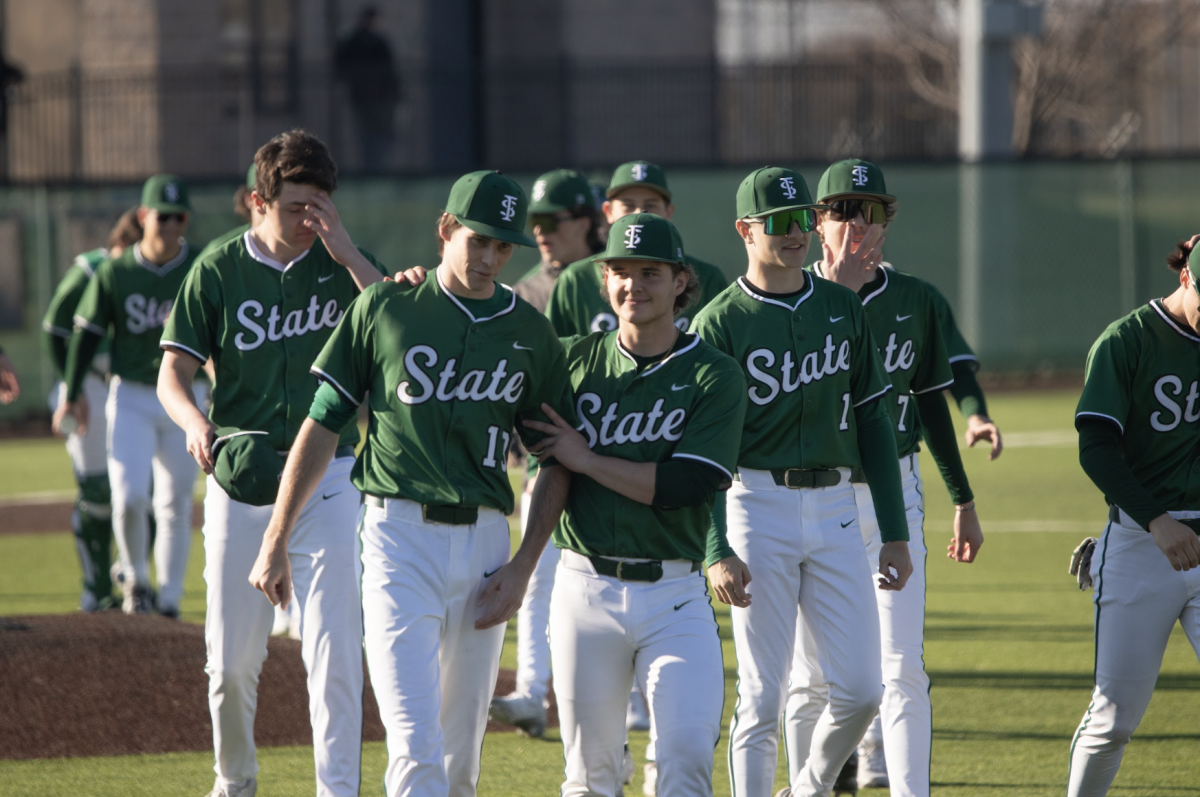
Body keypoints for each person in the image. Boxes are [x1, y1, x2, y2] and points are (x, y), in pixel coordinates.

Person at [248, 170, 577, 797]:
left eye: (502, 247)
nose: (489, 258)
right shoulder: (385, 307)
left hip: (486, 549)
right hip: (398, 541)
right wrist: (276, 536)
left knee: (460, 765)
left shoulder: (530, 333)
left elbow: (554, 458)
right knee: (417, 747)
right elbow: (322, 423)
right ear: (446, 230)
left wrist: (525, 567)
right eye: (477, 239)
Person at [158, 129, 383, 797]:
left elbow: (401, 328)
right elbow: (173, 372)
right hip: (245, 476)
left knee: (335, 650)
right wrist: (196, 421)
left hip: (331, 476)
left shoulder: (342, 263)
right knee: (229, 662)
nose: (311, 218)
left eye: (322, 204)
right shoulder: (219, 268)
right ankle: (235, 778)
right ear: (258, 200)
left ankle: (337, 788)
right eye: (296, 206)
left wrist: (348, 254)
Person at [690, 166, 912, 797]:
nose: (796, 234)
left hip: (839, 507)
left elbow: (875, 423)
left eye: (803, 220)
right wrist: (715, 549)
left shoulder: (842, 306)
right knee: (763, 693)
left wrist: (894, 533)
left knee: (863, 689)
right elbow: (701, 453)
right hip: (755, 504)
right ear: (744, 230)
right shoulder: (719, 322)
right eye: (779, 222)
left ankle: (808, 789)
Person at [523, 212, 748, 797]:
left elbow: (688, 484)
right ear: (604, 281)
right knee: (589, 777)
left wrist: (588, 459)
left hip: (675, 597)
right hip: (583, 592)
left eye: (650, 272)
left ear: (680, 281)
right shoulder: (569, 360)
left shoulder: (714, 374)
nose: (633, 285)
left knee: (686, 763)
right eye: (620, 272)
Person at [782, 159, 985, 797]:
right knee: (810, 676)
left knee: (902, 670)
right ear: (816, 224)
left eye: (870, 210)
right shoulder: (790, 299)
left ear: (886, 222)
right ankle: (807, 786)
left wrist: (963, 498)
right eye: (842, 210)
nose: (857, 223)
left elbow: (928, 402)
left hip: (894, 490)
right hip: (813, 496)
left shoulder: (916, 299)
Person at [1065, 234, 1200, 797]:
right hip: (1143, 544)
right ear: (1187, 277)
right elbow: (1096, 447)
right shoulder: (1127, 341)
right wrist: (1155, 520)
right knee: (1113, 720)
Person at [489, 166, 604, 738]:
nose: (538, 231)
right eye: (532, 222)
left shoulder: (619, 277)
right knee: (535, 574)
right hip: (548, 458)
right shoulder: (528, 292)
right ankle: (532, 691)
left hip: (618, 457)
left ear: (587, 219)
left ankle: (631, 701)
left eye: (551, 220)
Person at [59, 176, 200, 618]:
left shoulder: (200, 266)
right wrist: (72, 389)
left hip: (186, 397)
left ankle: (172, 597)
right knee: (129, 497)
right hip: (133, 396)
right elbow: (86, 335)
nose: (170, 225)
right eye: (162, 216)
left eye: (178, 216)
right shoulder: (117, 271)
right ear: (142, 217)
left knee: (175, 501)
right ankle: (137, 580)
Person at [42, 208, 142, 612]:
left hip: (133, 387)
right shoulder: (92, 269)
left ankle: (132, 575)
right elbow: (55, 327)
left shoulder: (158, 272)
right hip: (89, 386)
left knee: (143, 492)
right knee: (98, 491)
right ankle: (96, 590)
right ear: (122, 245)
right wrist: (74, 383)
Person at [547, 160, 729, 337]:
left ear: (668, 212)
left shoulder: (708, 278)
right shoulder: (575, 278)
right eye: (628, 205)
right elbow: (553, 356)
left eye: (650, 206)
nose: (639, 213)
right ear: (608, 211)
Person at [334, 4, 401, 172]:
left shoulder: (354, 41)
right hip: (373, 97)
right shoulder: (369, 42)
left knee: (371, 135)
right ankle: (372, 168)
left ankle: (374, 167)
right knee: (374, 134)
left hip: (369, 96)